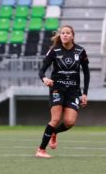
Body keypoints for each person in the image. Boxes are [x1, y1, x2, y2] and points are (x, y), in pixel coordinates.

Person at [35, 25, 90, 158]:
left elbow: (86, 73)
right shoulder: (54, 50)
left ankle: (54, 133)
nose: (64, 35)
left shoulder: (80, 51)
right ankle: (41, 150)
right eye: (63, 33)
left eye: (67, 33)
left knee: (69, 122)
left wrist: (84, 93)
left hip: (73, 91)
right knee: (55, 119)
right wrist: (45, 79)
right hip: (57, 89)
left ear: (72, 36)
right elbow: (41, 70)